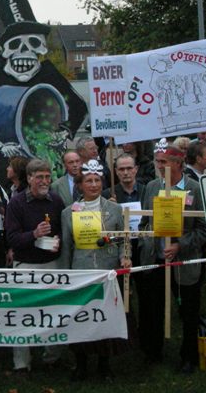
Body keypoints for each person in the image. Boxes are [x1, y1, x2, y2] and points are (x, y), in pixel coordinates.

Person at [137, 138, 206, 373]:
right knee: (154, 308)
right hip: (157, 260)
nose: (160, 168)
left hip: (183, 261)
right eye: (159, 164)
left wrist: (181, 245)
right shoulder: (152, 187)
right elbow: (144, 222)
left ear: (179, 165)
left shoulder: (195, 189)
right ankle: (153, 351)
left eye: (165, 164)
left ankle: (189, 356)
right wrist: (148, 238)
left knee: (188, 311)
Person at [61, 160, 130, 380]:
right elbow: (67, 247)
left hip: (107, 272)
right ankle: (81, 364)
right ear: (80, 185)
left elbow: (123, 240)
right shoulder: (68, 213)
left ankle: (104, 364)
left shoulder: (115, 209)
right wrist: (66, 276)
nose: (93, 185)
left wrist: (124, 257)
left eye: (97, 180)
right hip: (81, 273)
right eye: (88, 181)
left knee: (105, 318)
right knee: (81, 319)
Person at [5, 159, 65, 373]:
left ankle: (52, 358)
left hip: (52, 264)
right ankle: (21, 363)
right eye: (39, 177)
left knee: (54, 312)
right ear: (29, 178)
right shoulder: (17, 203)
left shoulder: (56, 201)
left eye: (47, 177)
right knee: (22, 314)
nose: (44, 181)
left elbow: (62, 230)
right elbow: (11, 238)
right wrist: (34, 234)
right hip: (26, 266)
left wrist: (57, 240)